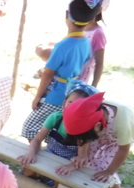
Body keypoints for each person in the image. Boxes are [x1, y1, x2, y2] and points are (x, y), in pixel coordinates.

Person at [21, 0, 99, 142]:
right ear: (90, 19)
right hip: (69, 92)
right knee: (53, 127)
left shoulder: (63, 45)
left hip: (54, 93)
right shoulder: (85, 42)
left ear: (67, 16)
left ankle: (37, 156)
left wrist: (37, 96)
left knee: (29, 128)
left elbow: (48, 73)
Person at [61, 91, 134, 188]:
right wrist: (82, 155)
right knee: (88, 162)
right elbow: (83, 137)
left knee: (104, 169)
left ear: (97, 126)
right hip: (99, 132)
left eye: (86, 138)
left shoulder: (123, 120)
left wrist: (109, 171)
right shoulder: (86, 115)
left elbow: (123, 149)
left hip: (119, 141)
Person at [18, 80, 99, 175]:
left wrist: (69, 167)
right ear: (64, 103)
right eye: (70, 103)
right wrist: (31, 153)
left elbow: (82, 158)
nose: (73, 108)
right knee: (29, 170)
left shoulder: (84, 129)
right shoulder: (55, 118)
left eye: (79, 106)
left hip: (69, 162)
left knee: (61, 179)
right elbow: (37, 140)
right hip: (49, 153)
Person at [34, 1, 107, 87]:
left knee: (42, 51)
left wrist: (93, 86)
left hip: (76, 79)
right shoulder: (77, 27)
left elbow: (99, 63)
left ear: (99, 10)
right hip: (64, 74)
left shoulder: (97, 33)